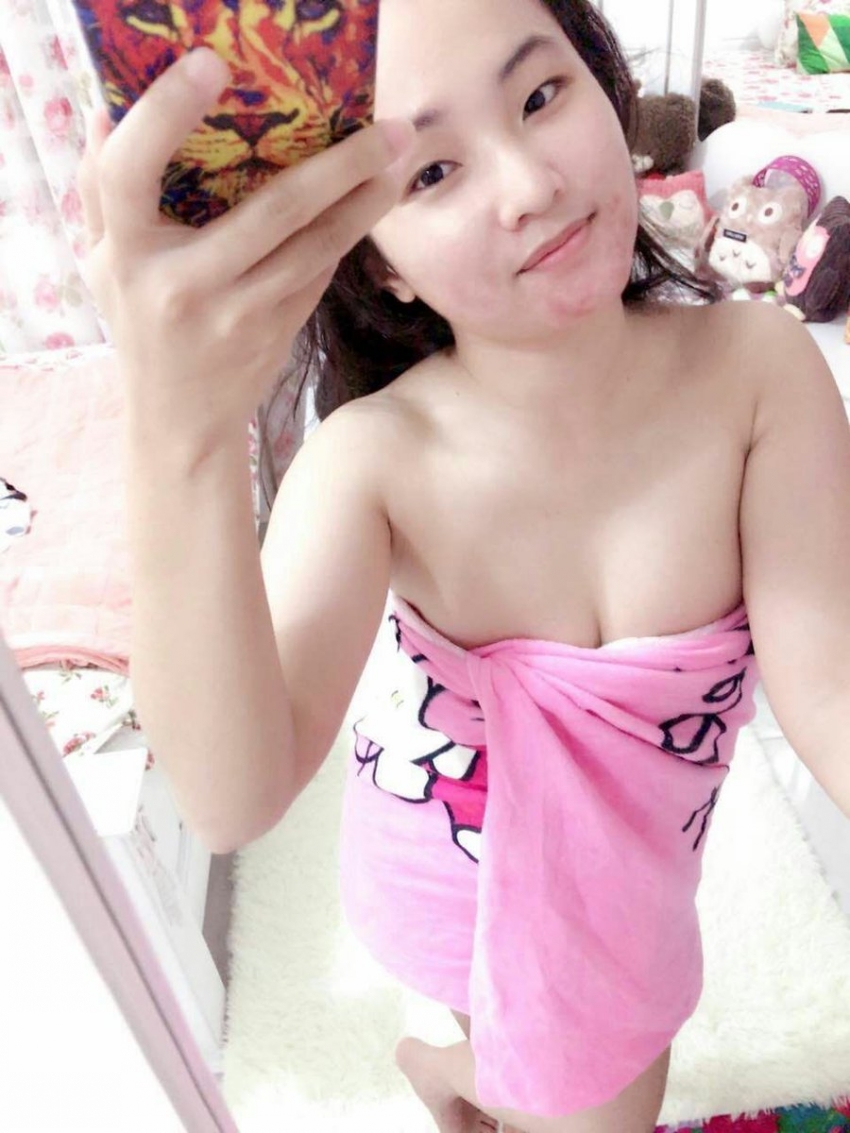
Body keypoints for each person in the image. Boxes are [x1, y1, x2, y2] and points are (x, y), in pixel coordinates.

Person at [76, 1, 850, 1130]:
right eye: (432, 171)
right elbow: (231, 795)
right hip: (458, 865)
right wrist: (178, 436)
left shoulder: (758, 368)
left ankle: (456, 1073)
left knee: (602, 1069)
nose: (528, 185)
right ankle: (460, 1064)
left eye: (540, 95)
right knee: (596, 1106)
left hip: (639, 862)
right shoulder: (374, 458)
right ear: (374, 261)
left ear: (605, 87)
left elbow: (828, 685)